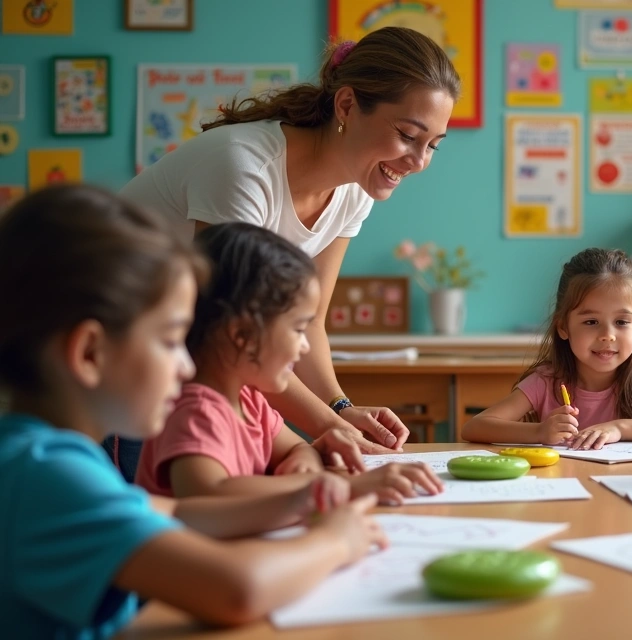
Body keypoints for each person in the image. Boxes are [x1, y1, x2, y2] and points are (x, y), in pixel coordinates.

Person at [0, 186, 386, 637]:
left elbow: (180, 511)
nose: (185, 364)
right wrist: (336, 541)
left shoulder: (45, 456)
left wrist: (299, 499)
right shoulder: (46, 473)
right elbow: (236, 589)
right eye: (169, 341)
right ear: (90, 353)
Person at [113, 27, 462, 475]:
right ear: (347, 105)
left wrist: (340, 409)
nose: (419, 161)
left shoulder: (355, 189)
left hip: (180, 358)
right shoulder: (244, 168)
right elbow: (228, 330)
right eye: (408, 135)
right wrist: (328, 426)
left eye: (432, 144)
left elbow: (309, 321)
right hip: (113, 346)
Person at [136, 223, 443, 504]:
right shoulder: (195, 409)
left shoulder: (249, 400)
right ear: (242, 335)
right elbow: (209, 493)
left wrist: (303, 464)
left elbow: (299, 449)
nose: (305, 346)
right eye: (298, 329)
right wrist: (338, 488)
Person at [462, 248, 632, 450]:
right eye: (591, 322)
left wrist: (618, 428)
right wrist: (539, 431)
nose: (607, 336)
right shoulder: (546, 381)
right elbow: (476, 427)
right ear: (564, 327)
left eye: (621, 322)